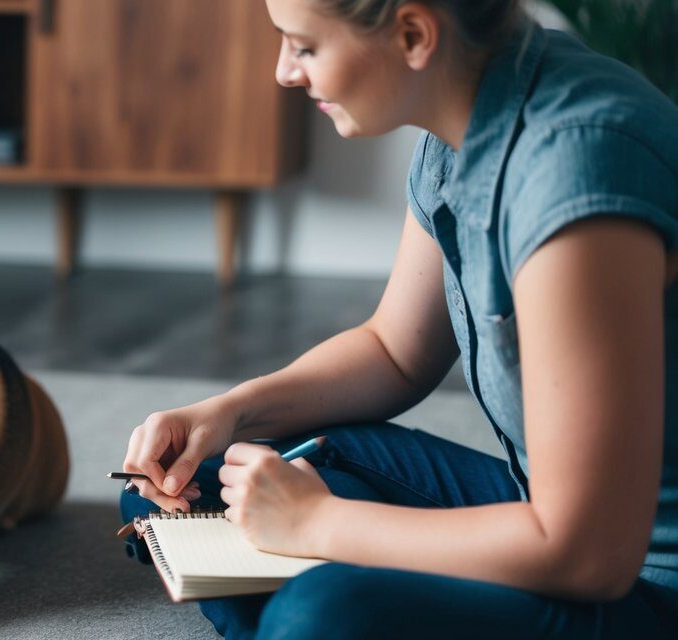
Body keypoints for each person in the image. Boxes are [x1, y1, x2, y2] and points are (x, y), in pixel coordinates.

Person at [118, 0, 678, 637]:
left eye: (303, 46)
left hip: (638, 576)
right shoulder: (470, 117)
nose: (284, 72)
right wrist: (228, 413)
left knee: (324, 611)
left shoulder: (575, 173)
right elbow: (394, 351)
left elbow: (590, 555)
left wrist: (319, 525)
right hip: (545, 515)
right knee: (199, 479)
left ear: (413, 34)